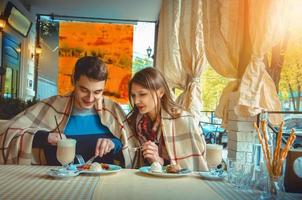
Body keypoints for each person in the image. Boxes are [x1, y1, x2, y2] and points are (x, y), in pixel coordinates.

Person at [0, 56, 133, 167]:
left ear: (104, 87)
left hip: (105, 185)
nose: (90, 98)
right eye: (84, 90)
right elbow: (7, 133)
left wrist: (114, 144)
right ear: (73, 82)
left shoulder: (113, 109)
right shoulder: (51, 106)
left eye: (98, 92)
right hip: (55, 185)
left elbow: (130, 147)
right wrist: (45, 137)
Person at [127, 67, 208, 171]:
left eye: (142, 94)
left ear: (161, 92)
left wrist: (160, 161)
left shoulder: (182, 121)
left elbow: (191, 167)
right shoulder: (134, 122)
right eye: (133, 95)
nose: (136, 101)